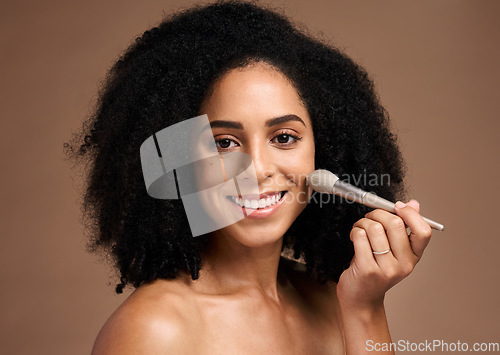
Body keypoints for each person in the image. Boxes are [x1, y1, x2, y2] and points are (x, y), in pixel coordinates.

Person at [66, 1, 432, 353]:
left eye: (284, 138)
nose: (257, 169)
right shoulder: (155, 331)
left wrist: (365, 309)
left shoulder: (334, 300)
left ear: (326, 149)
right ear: (180, 160)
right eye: (223, 143)